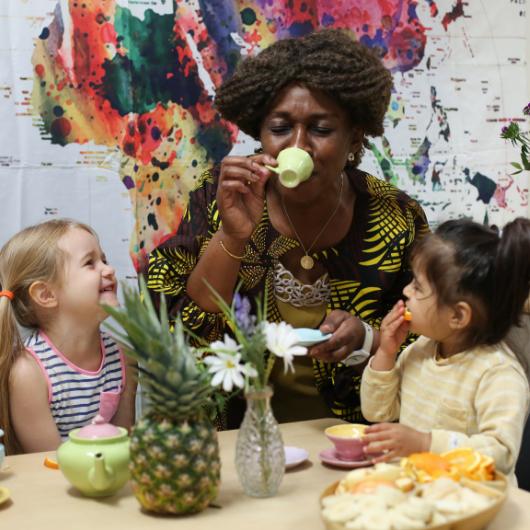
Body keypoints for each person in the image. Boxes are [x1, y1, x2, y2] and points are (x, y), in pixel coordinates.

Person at [148, 29, 429, 427]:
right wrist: (233, 236)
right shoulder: (221, 196)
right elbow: (184, 328)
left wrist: (368, 339)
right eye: (280, 129)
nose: (298, 147)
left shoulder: (396, 215)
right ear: (259, 134)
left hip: (355, 439)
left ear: (354, 137)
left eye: (321, 129)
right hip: (239, 437)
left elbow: (436, 331)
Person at [360, 218, 530, 479]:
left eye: (418, 286)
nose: (406, 290)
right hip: (422, 490)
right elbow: (378, 412)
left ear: (458, 316)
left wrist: (426, 444)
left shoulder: (499, 374)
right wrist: (385, 353)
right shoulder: (422, 349)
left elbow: (501, 454)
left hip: (476, 505)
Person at [0, 219, 136, 454]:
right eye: (90, 263)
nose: (109, 269)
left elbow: (124, 446)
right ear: (46, 294)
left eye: (104, 259)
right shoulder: (28, 373)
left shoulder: (124, 358)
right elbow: (49, 464)